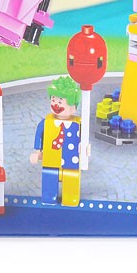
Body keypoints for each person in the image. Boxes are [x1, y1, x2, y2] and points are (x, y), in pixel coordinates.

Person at [30, 76, 85, 206]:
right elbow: (39, 136)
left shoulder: (78, 124)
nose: (56, 105)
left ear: (73, 107)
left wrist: (85, 149)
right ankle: (49, 197)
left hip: (71, 160)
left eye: (60, 102)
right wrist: (37, 151)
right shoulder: (46, 122)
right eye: (53, 100)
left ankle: (70, 198)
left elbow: (84, 140)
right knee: (49, 177)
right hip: (50, 159)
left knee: (71, 178)